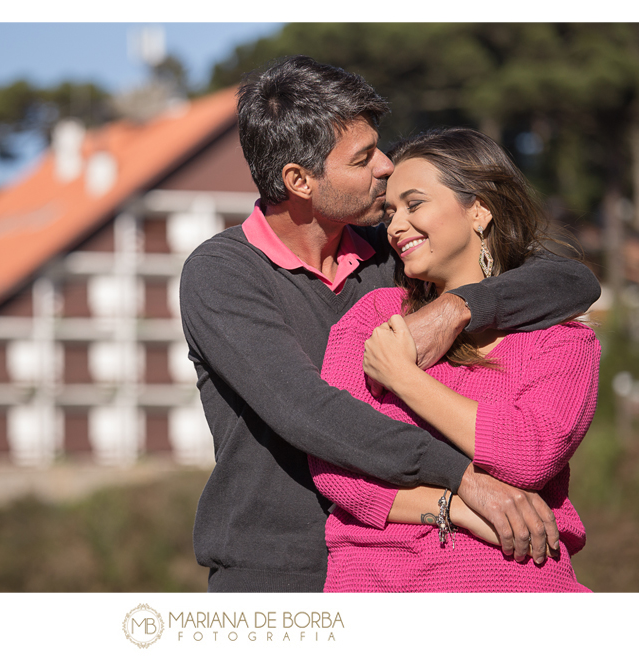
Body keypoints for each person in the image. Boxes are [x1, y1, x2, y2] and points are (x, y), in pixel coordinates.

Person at [179, 55, 601, 592]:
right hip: (277, 578)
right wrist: (462, 481)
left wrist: (456, 309)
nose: (384, 164)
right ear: (299, 180)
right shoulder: (223, 274)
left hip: (400, 567)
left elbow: (570, 282)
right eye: (362, 159)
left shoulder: (392, 257)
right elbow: (311, 414)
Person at [310, 127, 599, 592]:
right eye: (390, 211)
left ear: (479, 209)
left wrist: (404, 378)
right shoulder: (375, 317)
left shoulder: (562, 339)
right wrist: (456, 504)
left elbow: (529, 458)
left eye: (414, 204)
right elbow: (337, 468)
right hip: (382, 588)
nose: (395, 225)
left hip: (520, 588)